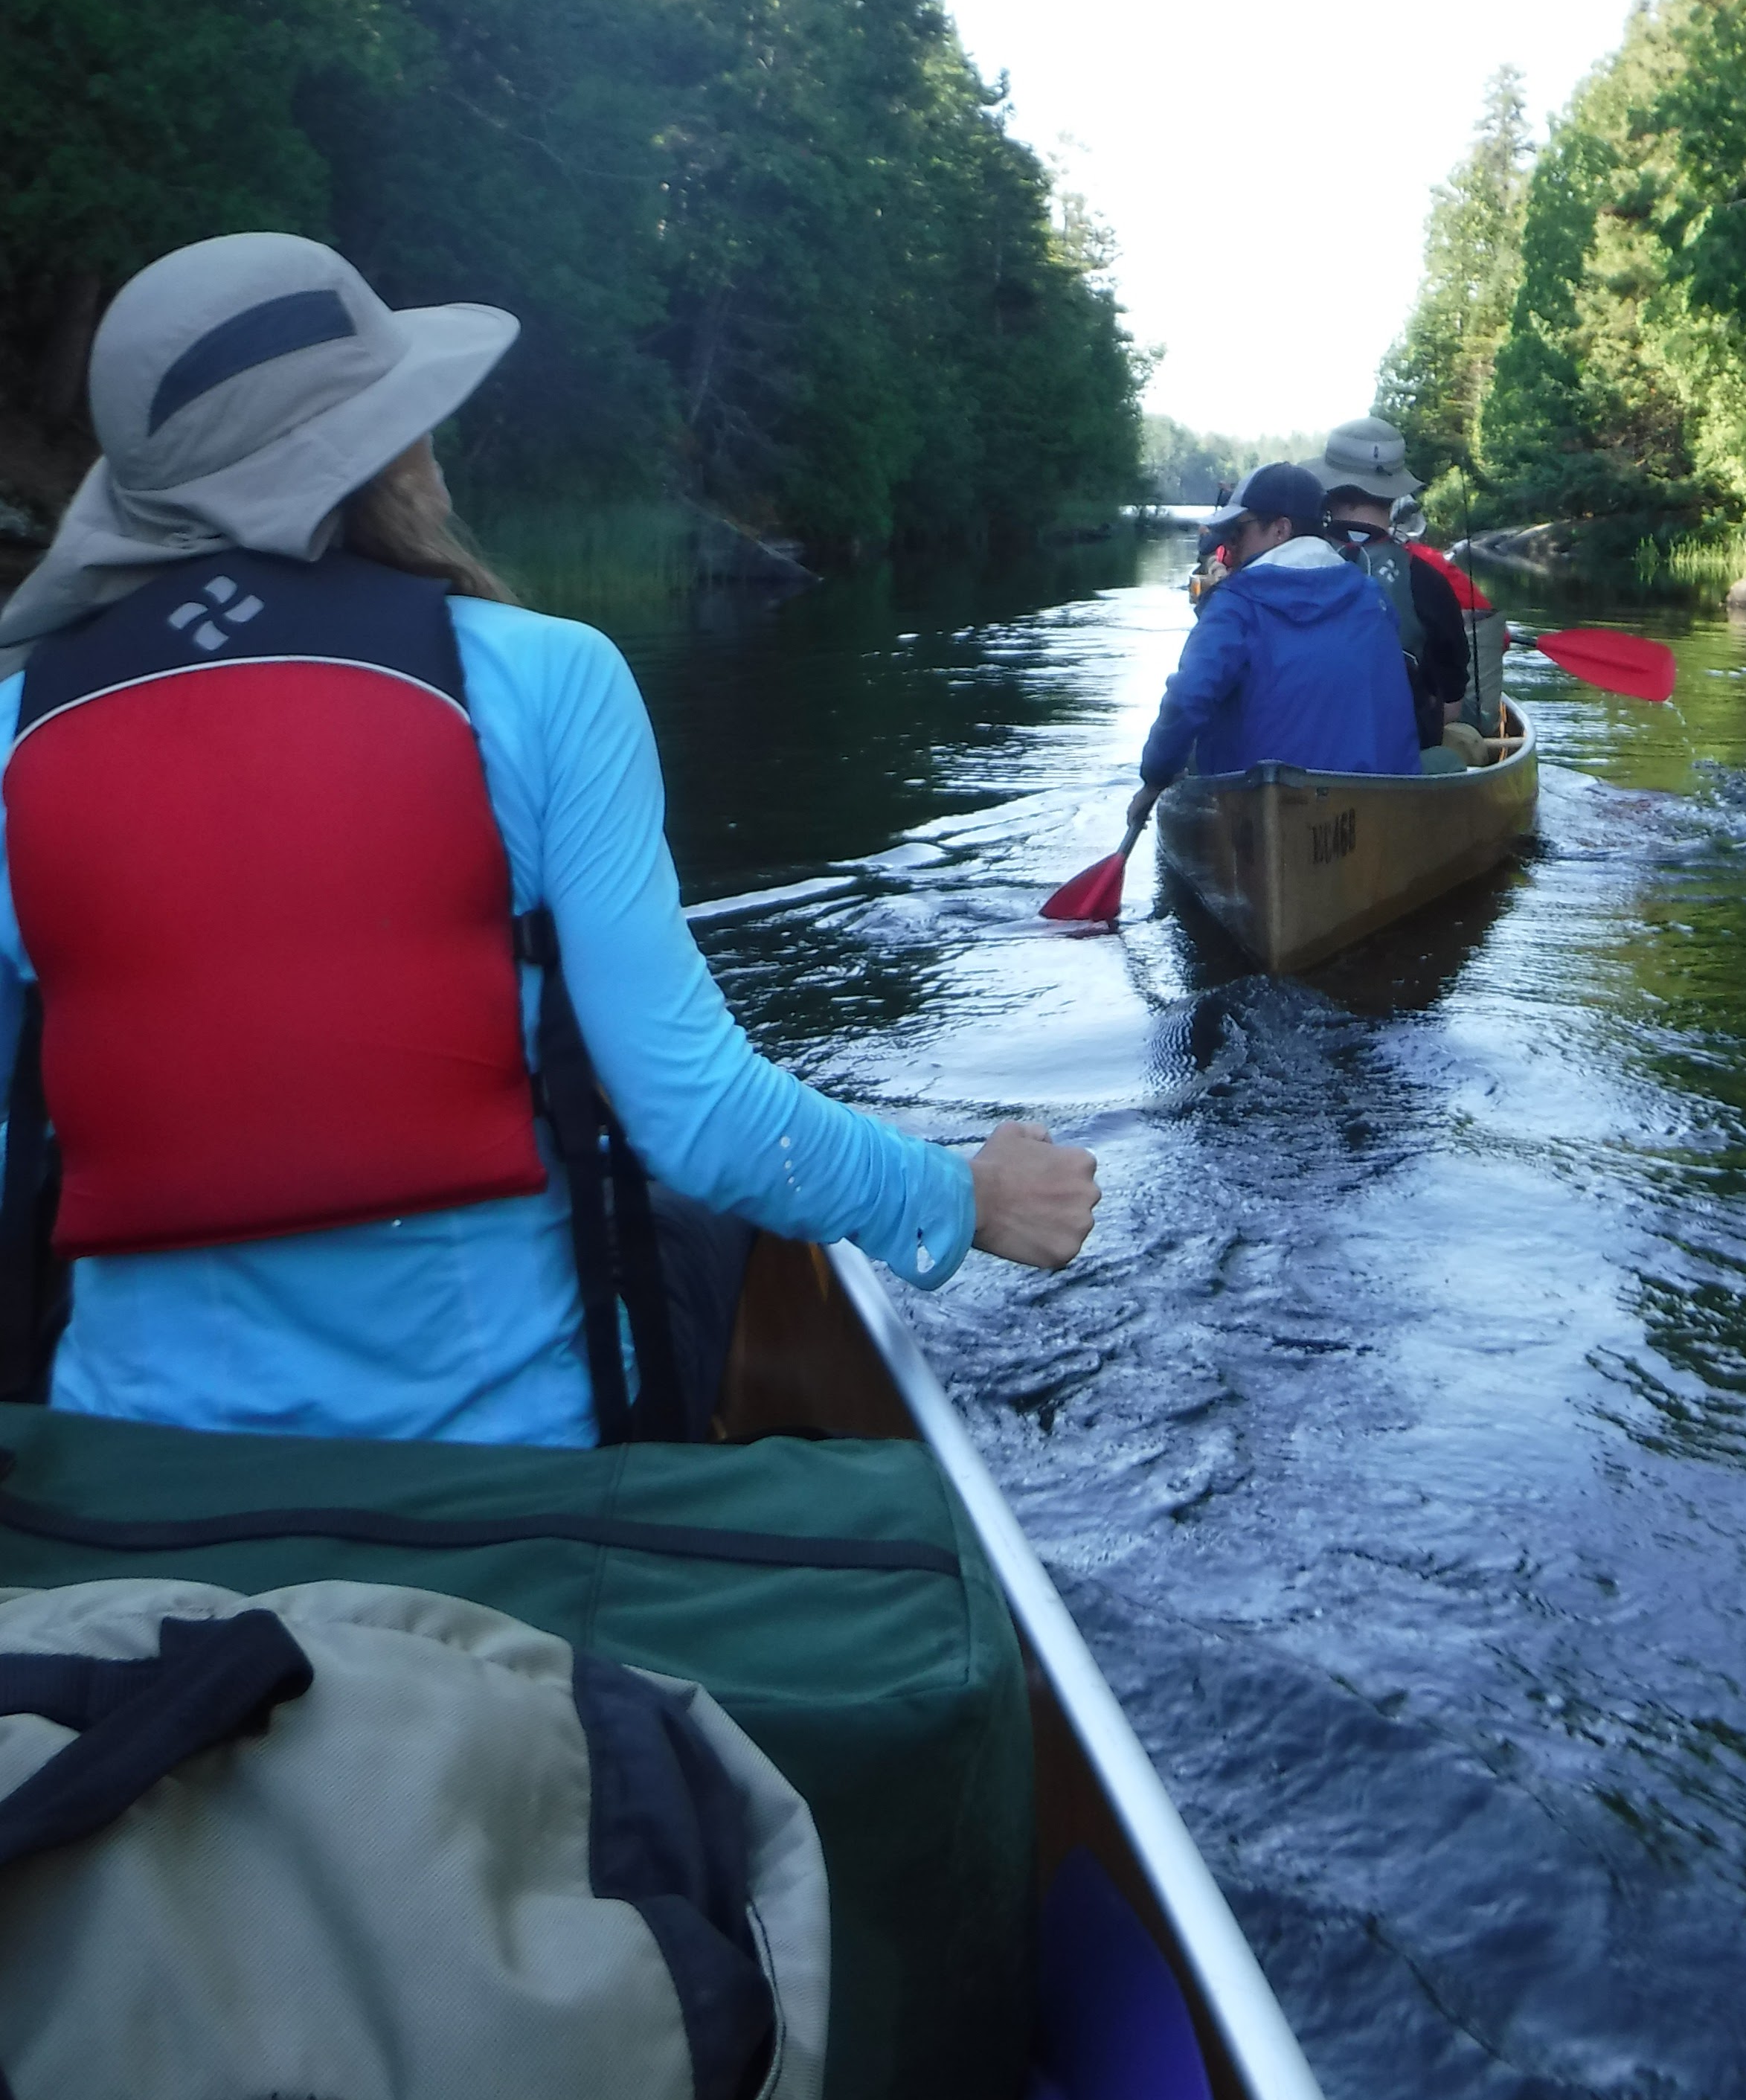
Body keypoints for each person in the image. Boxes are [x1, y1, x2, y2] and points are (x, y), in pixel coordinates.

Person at [0, 232, 1099, 1449]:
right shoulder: (544, 678)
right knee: (697, 1205)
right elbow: (698, 1117)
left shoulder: (14, 731)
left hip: (129, 1454)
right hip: (502, 1462)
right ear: (381, 456)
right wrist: (963, 1194)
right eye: (415, 417)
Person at [1126, 460, 1418, 840]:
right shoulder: (1372, 599)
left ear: (1280, 530)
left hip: (1261, 813)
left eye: (1237, 532)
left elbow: (1187, 699)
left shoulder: (1234, 604)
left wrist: (1156, 778)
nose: (1229, 546)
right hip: (1371, 813)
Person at [1316, 416, 1478, 748]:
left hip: (1296, 747)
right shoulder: (1429, 581)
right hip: (1394, 755)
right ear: (1394, 496)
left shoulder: (1281, 562)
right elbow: (1451, 706)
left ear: (1329, 490)